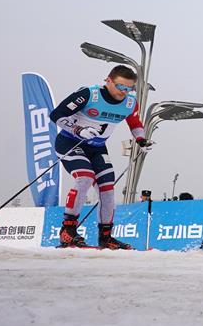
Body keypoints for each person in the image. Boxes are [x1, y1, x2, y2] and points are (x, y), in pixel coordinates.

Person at [50, 65, 153, 249]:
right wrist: (77, 130)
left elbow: (135, 123)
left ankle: (106, 237)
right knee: (85, 178)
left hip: (97, 148)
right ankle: (67, 232)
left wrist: (141, 140)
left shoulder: (130, 103)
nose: (124, 92)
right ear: (108, 81)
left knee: (107, 188)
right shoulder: (89, 95)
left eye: (129, 88)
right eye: (120, 86)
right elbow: (56, 114)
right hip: (70, 142)